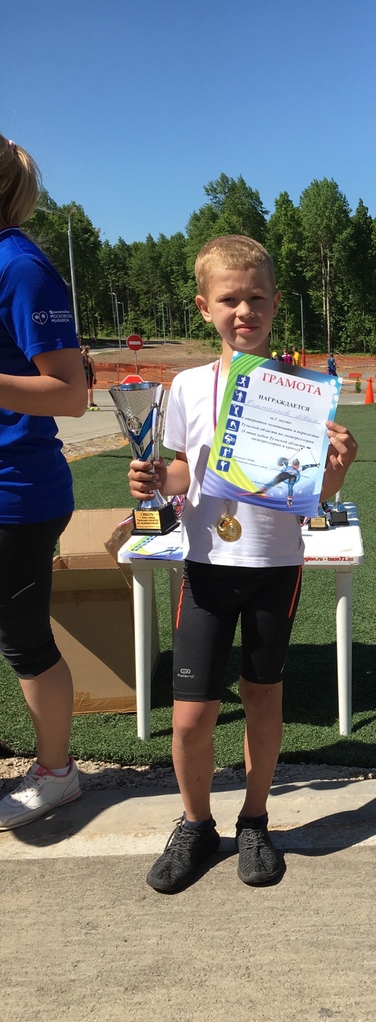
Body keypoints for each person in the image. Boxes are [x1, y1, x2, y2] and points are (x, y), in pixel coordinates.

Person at [128, 235, 357, 893]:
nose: (244, 310)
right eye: (229, 299)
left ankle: (255, 819)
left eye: (256, 297)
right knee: (191, 716)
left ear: (276, 303)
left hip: (274, 564)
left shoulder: (304, 391)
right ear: (205, 307)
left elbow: (316, 493)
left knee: (262, 698)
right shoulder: (187, 386)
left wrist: (337, 468)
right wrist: (156, 479)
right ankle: (196, 824)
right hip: (205, 564)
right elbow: (184, 469)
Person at [0, 135, 87, 830]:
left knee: (25, 641)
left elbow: (70, 392)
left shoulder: (21, 266)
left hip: (16, 495)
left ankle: (58, 774)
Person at [81, 344, 98, 410]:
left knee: (83, 390)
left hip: (81, 375)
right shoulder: (90, 359)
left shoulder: (79, 358)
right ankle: (91, 402)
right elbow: (93, 370)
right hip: (88, 375)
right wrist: (95, 378)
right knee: (89, 388)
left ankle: (83, 403)